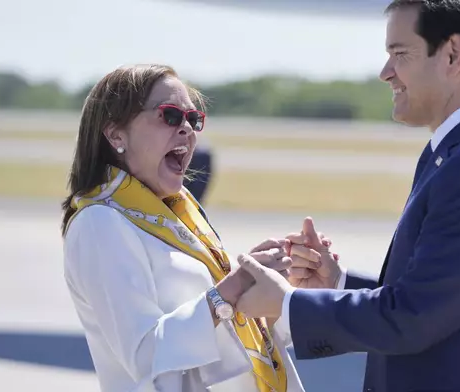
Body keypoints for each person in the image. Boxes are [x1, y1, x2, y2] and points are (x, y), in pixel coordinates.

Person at [232, 1, 460, 391]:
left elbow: (413, 316)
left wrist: (286, 305)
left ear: (453, 55)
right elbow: (437, 294)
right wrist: (338, 283)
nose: (386, 73)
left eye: (400, 54)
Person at [60, 64, 304, 392]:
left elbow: (221, 340)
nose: (187, 129)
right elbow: (146, 357)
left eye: (194, 119)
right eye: (170, 115)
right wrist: (228, 292)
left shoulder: (174, 211)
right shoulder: (99, 223)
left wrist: (267, 287)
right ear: (116, 134)